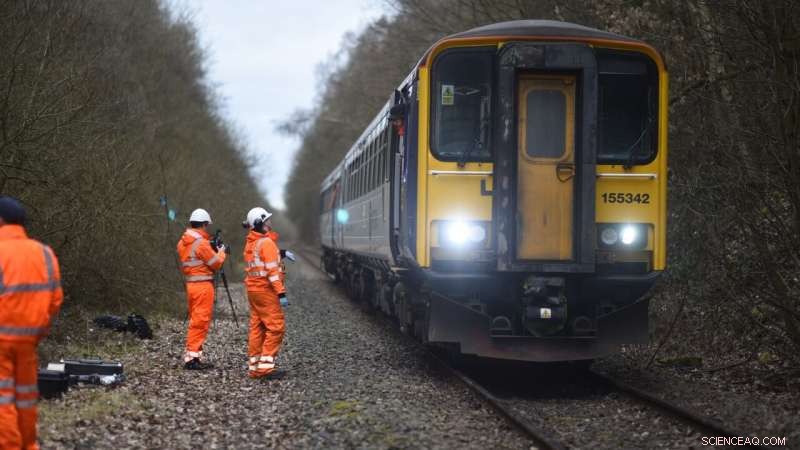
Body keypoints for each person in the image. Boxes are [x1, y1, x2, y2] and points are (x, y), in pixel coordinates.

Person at [0, 196, 63, 449]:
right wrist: (39, 329)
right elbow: (55, 299)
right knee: (25, 398)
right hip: (28, 341)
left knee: (3, 401)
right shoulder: (44, 253)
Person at [176, 208, 226, 370]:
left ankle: (195, 356)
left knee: (196, 321)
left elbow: (196, 260)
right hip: (203, 286)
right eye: (207, 225)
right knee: (200, 322)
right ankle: (191, 359)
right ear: (204, 224)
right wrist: (221, 252)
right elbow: (216, 264)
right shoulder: (201, 243)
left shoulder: (182, 242)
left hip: (191, 285)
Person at [243, 207, 287, 379]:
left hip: (253, 291)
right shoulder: (266, 243)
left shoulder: (251, 242)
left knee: (257, 327)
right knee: (276, 327)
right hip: (266, 291)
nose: (270, 222)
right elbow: (272, 271)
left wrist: (281, 253)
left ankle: (254, 367)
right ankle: (265, 368)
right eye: (267, 220)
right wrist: (281, 293)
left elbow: (260, 261)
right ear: (260, 223)